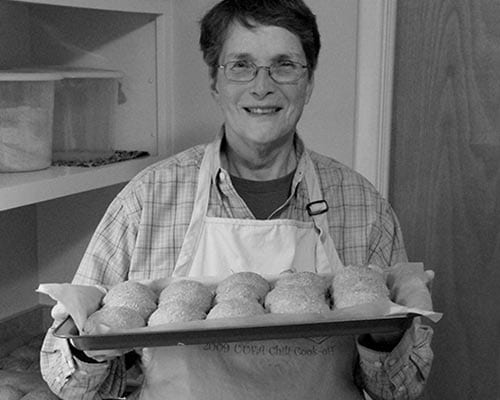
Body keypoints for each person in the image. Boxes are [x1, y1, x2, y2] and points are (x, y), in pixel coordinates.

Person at [40, 0, 434, 399]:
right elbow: (69, 379)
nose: (262, 86)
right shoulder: (147, 200)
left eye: (284, 65)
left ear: (309, 82)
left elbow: (398, 388)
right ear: (215, 81)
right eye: (241, 65)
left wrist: (385, 337)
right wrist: (95, 351)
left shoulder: (362, 205)